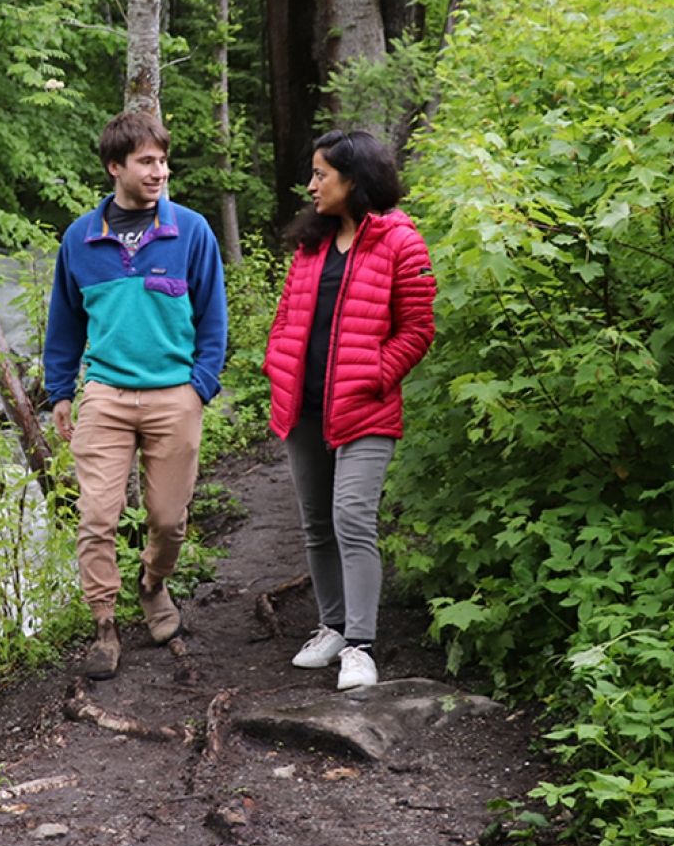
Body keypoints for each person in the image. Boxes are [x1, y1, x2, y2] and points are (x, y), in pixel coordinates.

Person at [44, 110, 227, 680]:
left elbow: (213, 320)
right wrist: (60, 390)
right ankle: (104, 624)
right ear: (114, 167)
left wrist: (199, 388)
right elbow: (65, 322)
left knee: (168, 520)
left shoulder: (191, 231)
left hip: (175, 395)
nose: (159, 172)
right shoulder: (80, 239)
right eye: (146, 161)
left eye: (163, 161)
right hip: (106, 395)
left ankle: (152, 583)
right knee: (97, 515)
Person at [263, 129, 435, 691]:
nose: (311, 185)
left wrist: (375, 374)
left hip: (366, 409)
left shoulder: (400, 242)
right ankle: (332, 627)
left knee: (353, 519)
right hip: (303, 406)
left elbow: (418, 329)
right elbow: (288, 315)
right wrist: (277, 363)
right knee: (316, 524)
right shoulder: (311, 243)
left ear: (354, 180)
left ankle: (360, 646)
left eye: (321, 175)